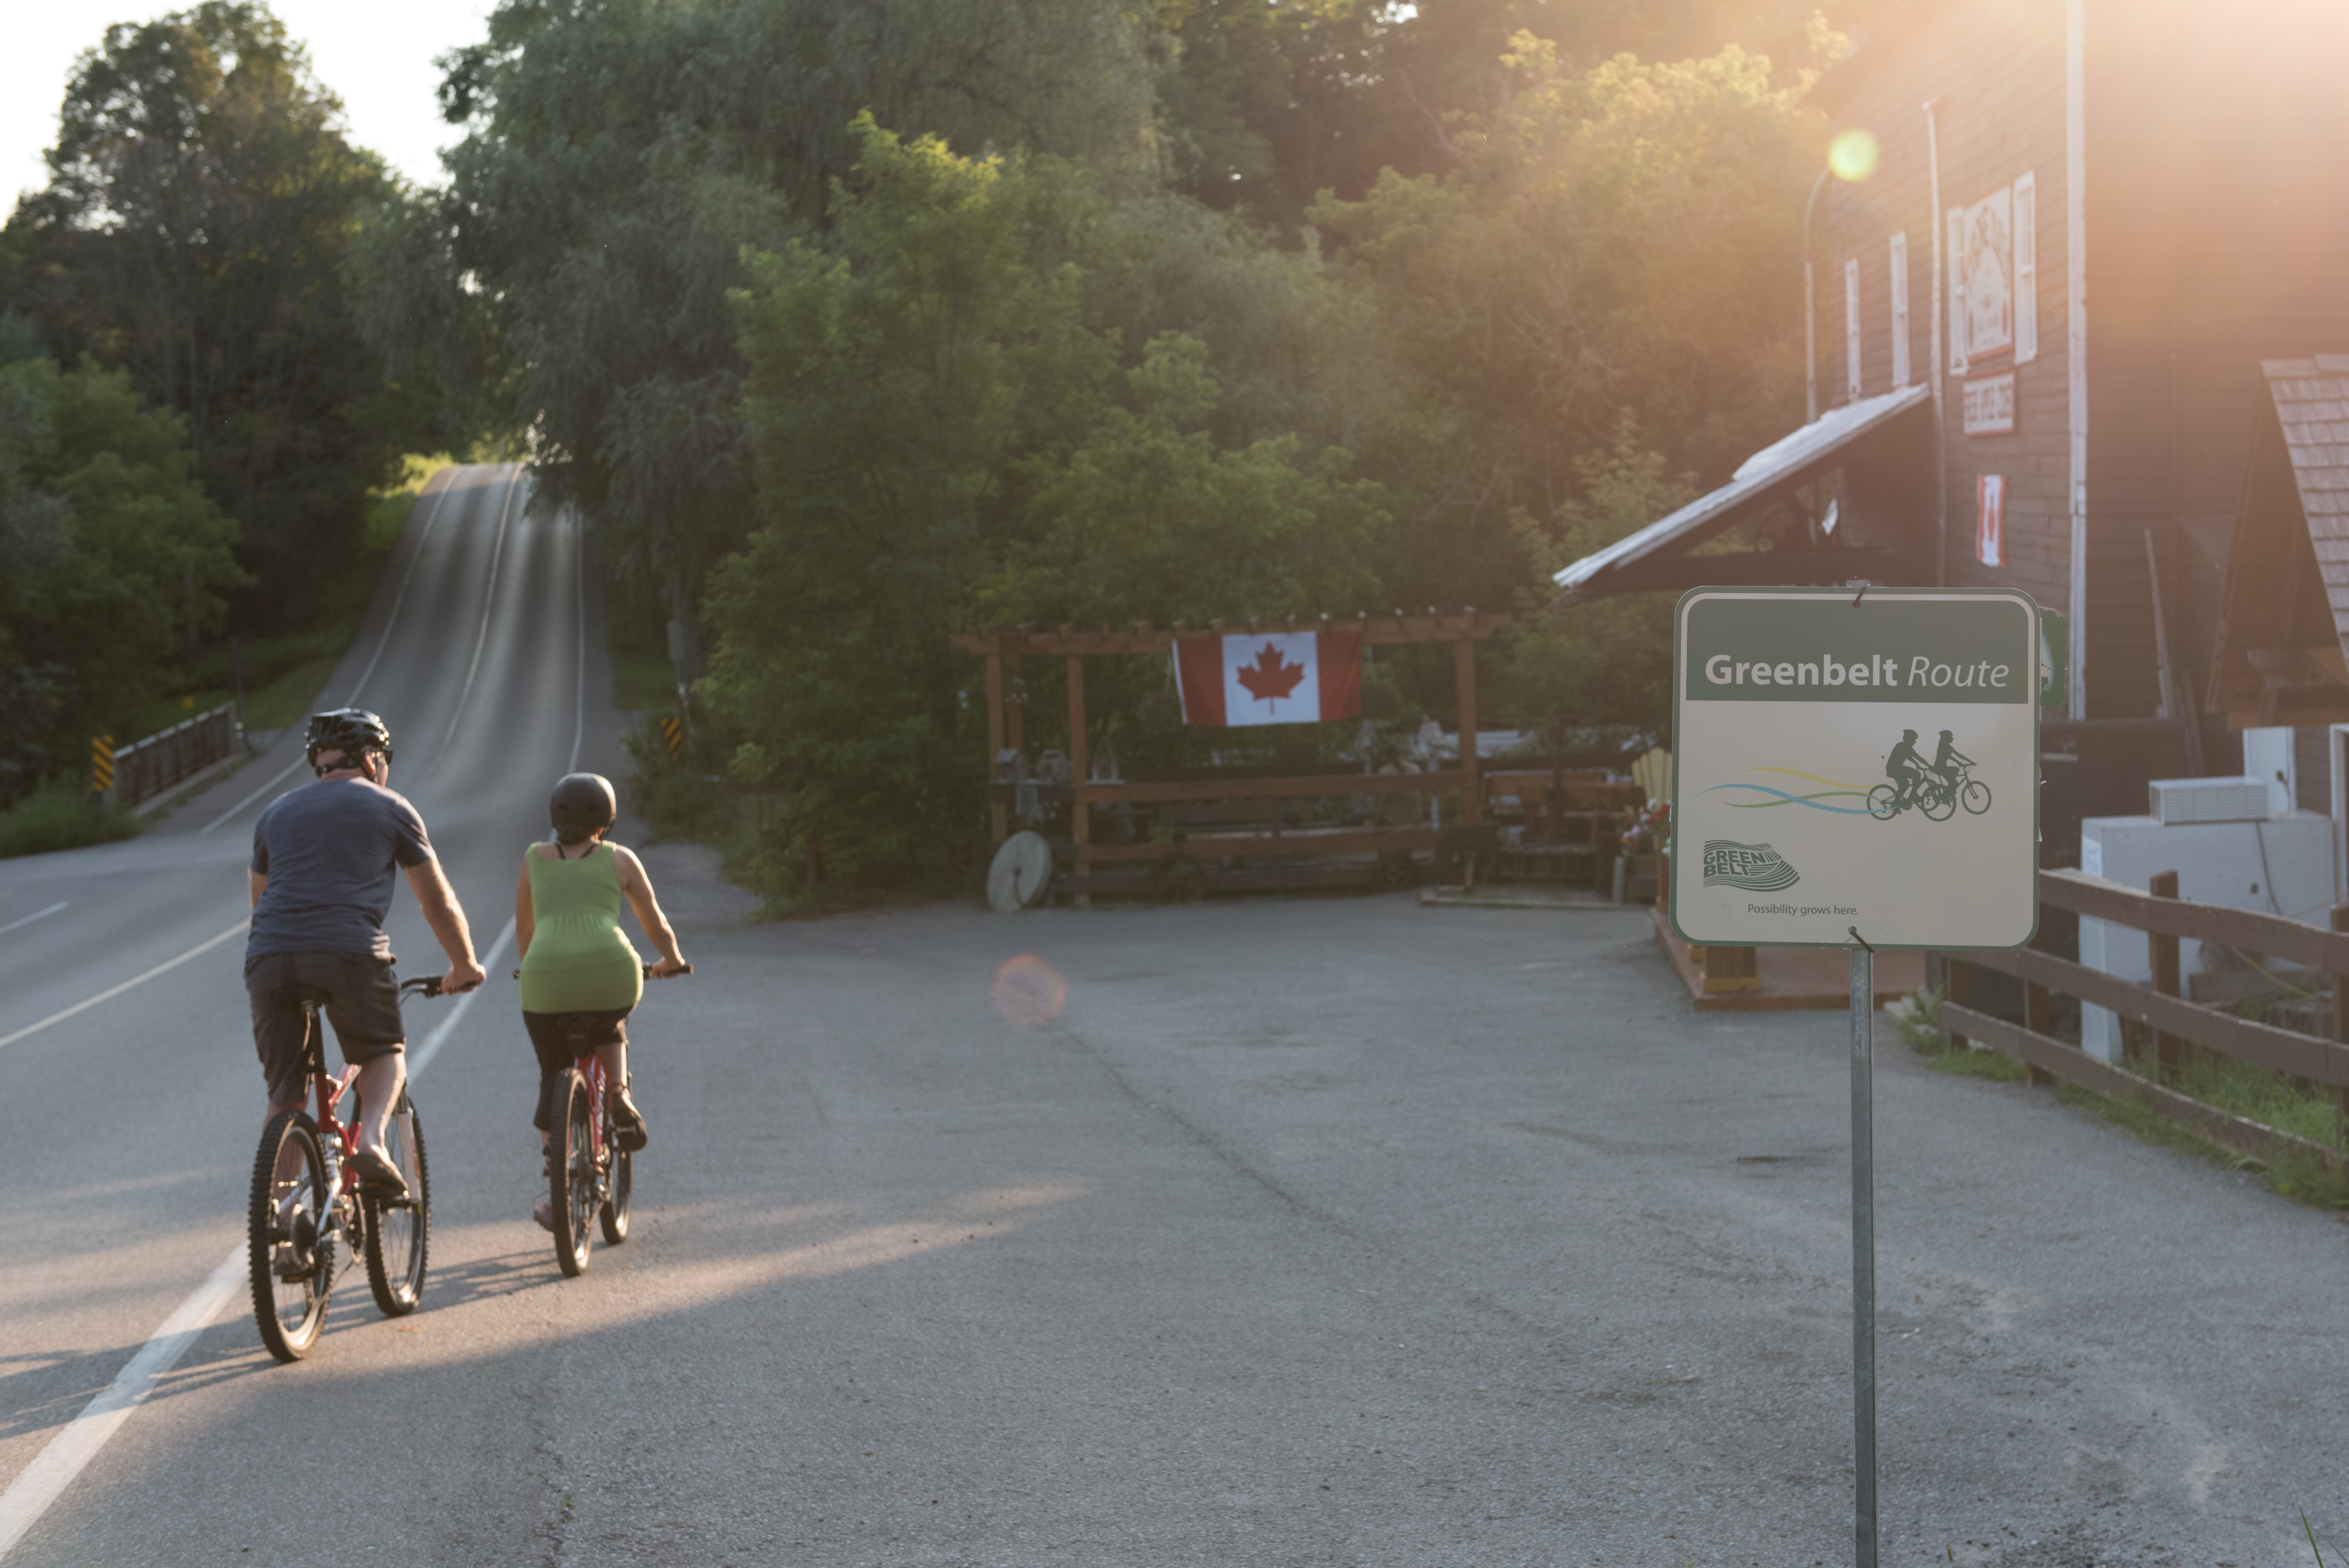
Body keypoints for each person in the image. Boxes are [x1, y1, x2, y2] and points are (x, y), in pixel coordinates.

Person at [247, 709, 486, 1203]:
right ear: (372, 759)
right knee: (383, 1054)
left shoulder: (275, 812)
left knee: (286, 1095)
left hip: (269, 956)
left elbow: (260, 903)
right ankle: (373, 1140)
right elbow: (436, 902)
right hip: (348, 951)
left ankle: (283, 1222)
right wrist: (464, 965)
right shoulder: (390, 806)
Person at [515, 772, 688, 1230]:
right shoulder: (620, 859)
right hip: (612, 971)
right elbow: (653, 920)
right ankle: (617, 1092)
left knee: (554, 1070)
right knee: (611, 1019)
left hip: (544, 979)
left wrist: (532, 967)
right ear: (607, 820)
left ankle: (557, 1176)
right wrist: (671, 959)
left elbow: (525, 931)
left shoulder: (534, 858)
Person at [1883, 728, 1927, 809]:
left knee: (1914, 776)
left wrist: (1924, 764)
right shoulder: (1902, 745)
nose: (1915, 741)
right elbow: (1912, 756)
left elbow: (1915, 757)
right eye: (1914, 739)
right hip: (1894, 769)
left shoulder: (1907, 747)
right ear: (1909, 739)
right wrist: (1919, 764)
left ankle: (1912, 795)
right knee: (1907, 783)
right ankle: (1900, 801)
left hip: (1898, 769)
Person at [1930, 729, 1975, 794]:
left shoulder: (1949, 747)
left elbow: (1959, 755)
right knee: (1955, 782)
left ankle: (1949, 789)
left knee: (1955, 771)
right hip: (1940, 768)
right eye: (1951, 737)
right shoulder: (1943, 746)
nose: (1952, 738)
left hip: (1943, 768)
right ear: (1947, 738)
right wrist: (1958, 762)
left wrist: (1970, 761)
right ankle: (1946, 793)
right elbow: (1948, 756)